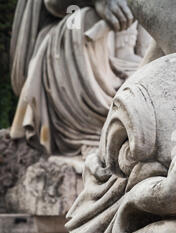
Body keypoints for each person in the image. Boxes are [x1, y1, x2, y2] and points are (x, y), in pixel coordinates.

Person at [10, 0, 147, 155]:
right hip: (73, 46)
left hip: (124, 58)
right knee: (82, 19)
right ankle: (94, 135)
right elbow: (53, 3)